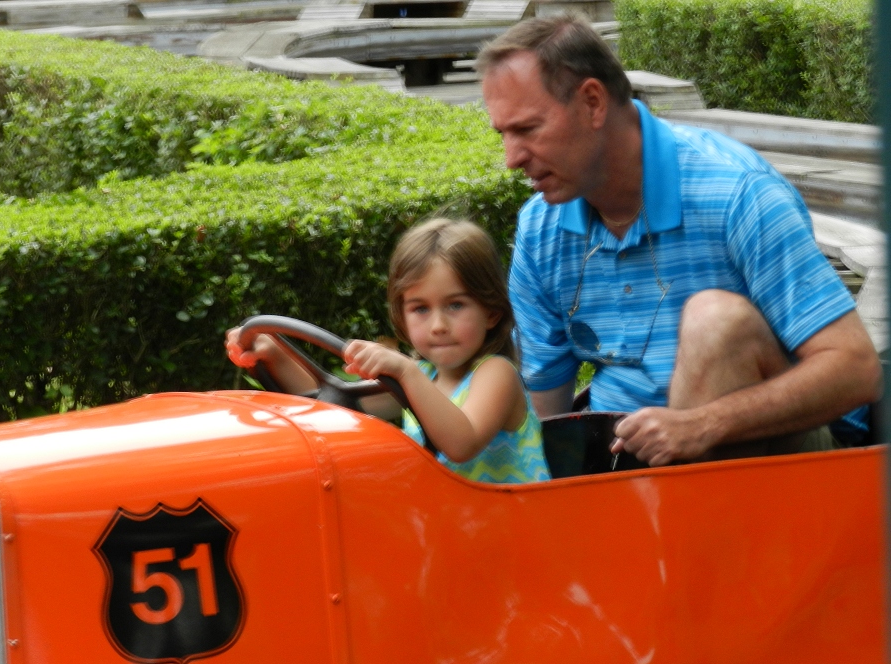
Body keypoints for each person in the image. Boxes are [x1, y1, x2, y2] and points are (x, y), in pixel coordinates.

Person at [475, 16, 882, 467]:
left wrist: (703, 423)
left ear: (592, 102)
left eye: (528, 129)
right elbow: (544, 412)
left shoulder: (737, 194)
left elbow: (856, 370)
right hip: (626, 465)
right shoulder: (541, 228)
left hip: (787, 468)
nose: (511, 159)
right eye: (503, 135)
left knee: (716, 322)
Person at [226, 219, 551, 483]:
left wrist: (405, 370)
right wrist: (278, 356)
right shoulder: (423, 376)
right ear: (402, 315)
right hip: (452, 533)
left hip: (515, 537)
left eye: (455, 305)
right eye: (420, 309)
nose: (438, 324)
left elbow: (461, 443)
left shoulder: (496, 374)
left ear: (491, 312)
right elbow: (338, 406)